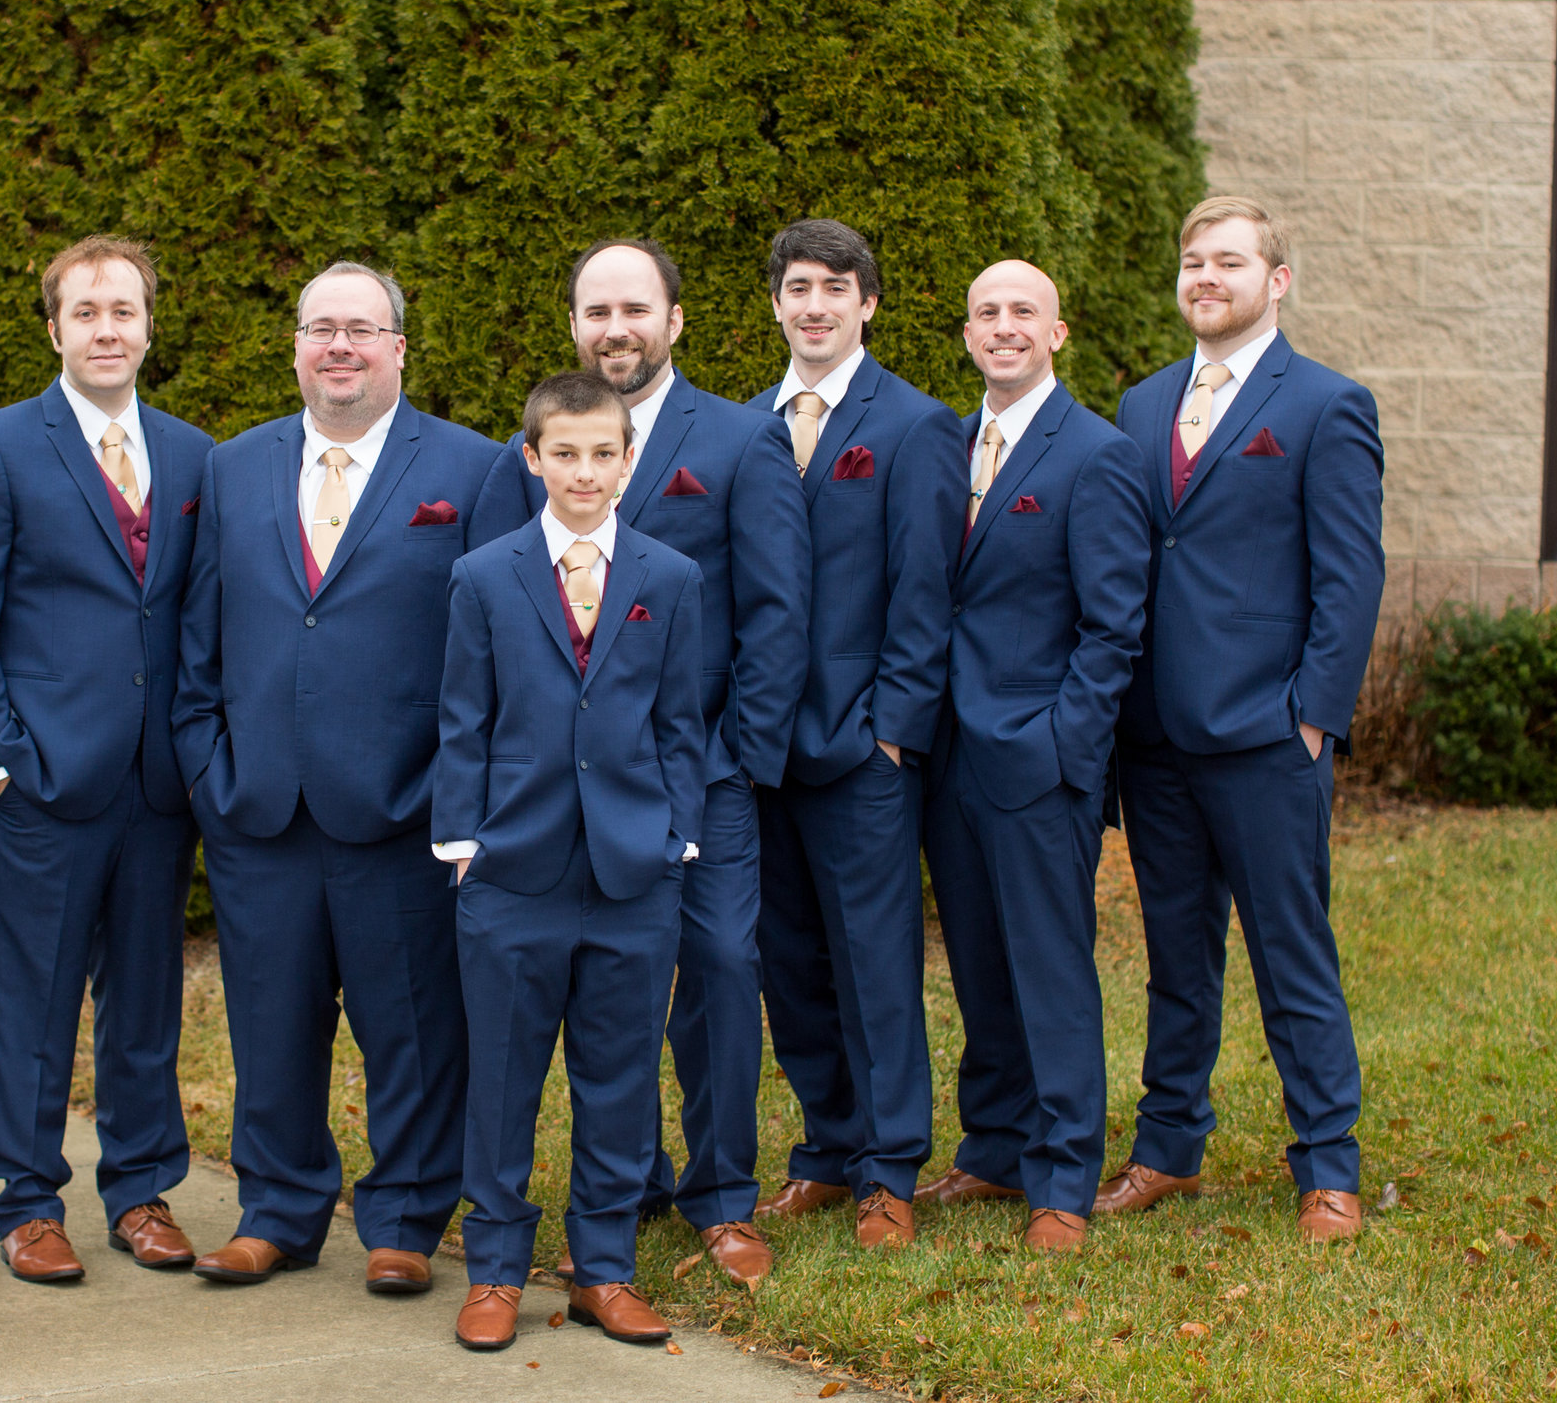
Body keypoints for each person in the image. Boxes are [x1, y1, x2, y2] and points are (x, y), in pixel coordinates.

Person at [469, 240, 807, 1287]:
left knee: (715, 969)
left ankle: (718, 1193)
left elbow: (776, 612)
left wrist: (734, 762)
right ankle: (631, 1179)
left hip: (699, 772)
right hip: (563, 797)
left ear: (676, 320)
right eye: (595, 310)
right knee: (599, 989)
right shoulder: (532, 446)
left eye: (634, 308)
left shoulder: (746, 442)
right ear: (574, 325)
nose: (615, 326)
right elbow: (499, 612)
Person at [174, 262, 503, 1293]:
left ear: (400, 346)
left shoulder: (475, 469)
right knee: (270, 1019)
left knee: (411, 1024)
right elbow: (199, 639)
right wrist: (208, 772)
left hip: (402, 807)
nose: (341, 347)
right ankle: (275, 1209)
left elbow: (493, 651)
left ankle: (404, 1217)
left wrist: (456, 798)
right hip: (259, 808)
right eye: (322, 328)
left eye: (363, 329)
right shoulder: (231, 468)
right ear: (298, 346)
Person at [0, 236, 213, 1282]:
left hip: (155, 783)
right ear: (54, 328)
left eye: (124, 311)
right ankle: (26, 1197)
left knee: (144, 1000)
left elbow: (198, 617)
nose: (107, 329)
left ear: (148, 324)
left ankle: (141, 1191)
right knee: (36, 1001)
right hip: (44, 778)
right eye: (86, 312)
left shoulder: (192, 456)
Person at [1103, 197, 1384, 1242]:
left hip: (1267, 737)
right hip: (1157, 737)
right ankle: (1167, 1149)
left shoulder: (1323, 404)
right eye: (1192, 261)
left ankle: (1327, 1163)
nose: (1206, 276)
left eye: (1229, 260)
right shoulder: (1138, 406)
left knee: (1288, 950)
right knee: (1177, 955)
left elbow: (1350, 576)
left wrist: (1311, 716)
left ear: (1277, 280)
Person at [437, 371, 709, 1353]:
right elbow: (463, 721)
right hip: (514, 871)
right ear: (532, 458)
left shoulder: (669, 579)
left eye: (604, 453)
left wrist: (674, 833)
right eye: (566, 453)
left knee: (619, 1077)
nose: (585, 471)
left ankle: (603, 1268)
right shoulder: (485, 574)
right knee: (503, 1078)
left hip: (634, 873)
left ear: (629, 461)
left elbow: (682, 722)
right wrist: (466, 848)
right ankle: (496, 1268)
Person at [918, 259, 1149, 1255]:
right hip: (945, 754)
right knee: (976, 960)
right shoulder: (941, 444)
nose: (1002, 326)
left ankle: (1061, 1172)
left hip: (1037, 757)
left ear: (1058, 333)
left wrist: (1065, 751)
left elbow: (1113, 631)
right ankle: (996, 1144)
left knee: (1049, 968)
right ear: (966, 333)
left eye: (1023, 312)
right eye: (985, 312)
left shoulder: (1094, 454)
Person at [743, 219, 959, 1250]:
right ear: (776, 302)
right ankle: (827, 1149)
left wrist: (893, 735)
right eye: (798, 287)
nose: (815, 303)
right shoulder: (743, 426)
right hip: (762, 752)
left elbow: (925, 593)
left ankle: (888, 1167)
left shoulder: (914, 425)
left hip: (863, 747)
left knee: (874, 962)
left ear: (867, 302)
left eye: (835, 286)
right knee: (787, 960)